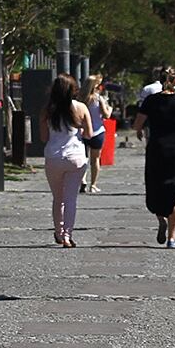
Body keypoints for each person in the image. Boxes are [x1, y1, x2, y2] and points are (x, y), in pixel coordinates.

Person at [133, 66, 175, 246]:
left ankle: (161, 219)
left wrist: (142, 128)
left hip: (156, 149)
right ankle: (172, 238)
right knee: (173, 192)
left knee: (155, 189)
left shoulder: (151, 100)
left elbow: (137, 124)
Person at [39, 73, 92, 247]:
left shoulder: (47, 110)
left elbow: (44, 137)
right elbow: (89, 134)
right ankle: (68, 236)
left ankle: (59, 232)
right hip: (76, 158)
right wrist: (79, 131)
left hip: (54, 157)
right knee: (71, 199)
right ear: (73, 90)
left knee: (58, 198)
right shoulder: (81, 108)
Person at [81, 74, 110, 193]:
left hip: (83, 132)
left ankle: (82, 180)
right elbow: (106, 115)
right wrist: (110, 109)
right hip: (97, 132)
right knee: (95, 159)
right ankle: (93, 185)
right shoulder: (98, 99)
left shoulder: (80, 99)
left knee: (83, 158)